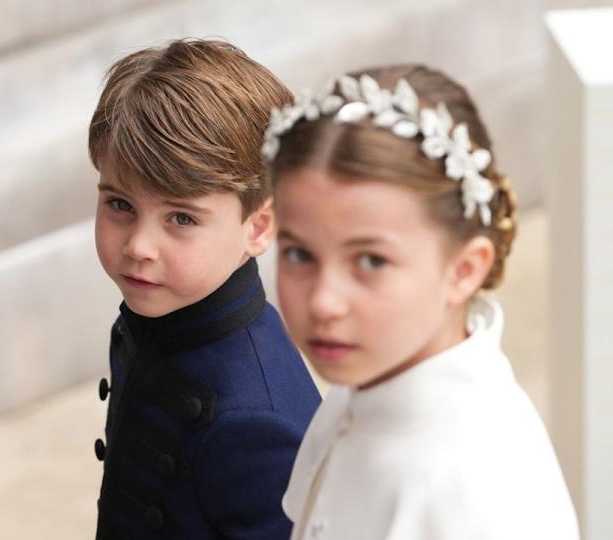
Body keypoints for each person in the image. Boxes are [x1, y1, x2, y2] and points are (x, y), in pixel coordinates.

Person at [265, 64, 579, 539]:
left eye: (370, 261)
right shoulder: (365, 382)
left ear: (463, 270)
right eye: (299, 254)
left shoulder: (479, 495)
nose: (324, 302)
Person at [88, 39, 322, 539]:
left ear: (258, 228)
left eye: (180, 217)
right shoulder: (155, 320)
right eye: (121, 205)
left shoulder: (256, 423)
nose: (139, 246)